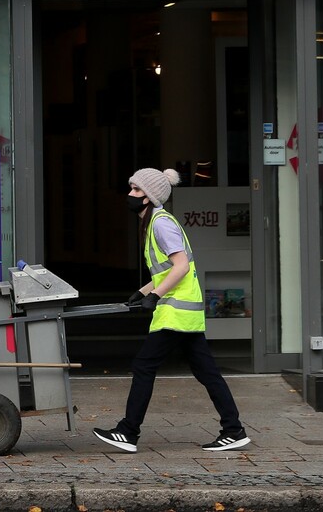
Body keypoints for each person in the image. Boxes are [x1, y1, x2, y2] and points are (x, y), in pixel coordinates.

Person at [93, 167, 251, 454]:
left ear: (150, 196)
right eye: (132, 188)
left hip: (176, 310)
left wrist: (155, 295)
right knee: (207, 372)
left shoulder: (161, 224)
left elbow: (181, 267)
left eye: (136, 189)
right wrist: (142, 292)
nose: (130, 194)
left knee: (144, 365)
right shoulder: (153, 222)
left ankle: (128, 431)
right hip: (183, 311)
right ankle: (233, 429)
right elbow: (165, 270)